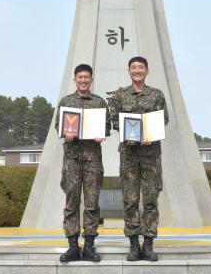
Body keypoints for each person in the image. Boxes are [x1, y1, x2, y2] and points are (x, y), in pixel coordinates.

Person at [109, 56, 169, 262]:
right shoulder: (120, 95)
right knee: (130, 201)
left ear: (147, 70)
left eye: (140, 67)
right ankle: (134, 246)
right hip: (129, 155)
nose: (137, 70)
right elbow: (114, 120)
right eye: (133, 67)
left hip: (151, 156)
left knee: (151, 200)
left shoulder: (156, 94)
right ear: (129, 71)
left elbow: (164, 119)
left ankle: (149, 245)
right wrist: (129, 136)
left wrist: (149, 136)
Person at [55, 64, 110, 263]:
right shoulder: (66, 101)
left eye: (87, 77)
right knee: (71, 202)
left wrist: (101, 134)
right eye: (80, 77)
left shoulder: (99, 102)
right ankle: (72, 246)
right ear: (75, 79)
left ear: (91, 79)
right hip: (72, 159)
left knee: (92, 203)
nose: (83, 80)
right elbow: (58, 126)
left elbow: (107, 125)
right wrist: (65, 133)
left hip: (93, 159)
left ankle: (88, 245)